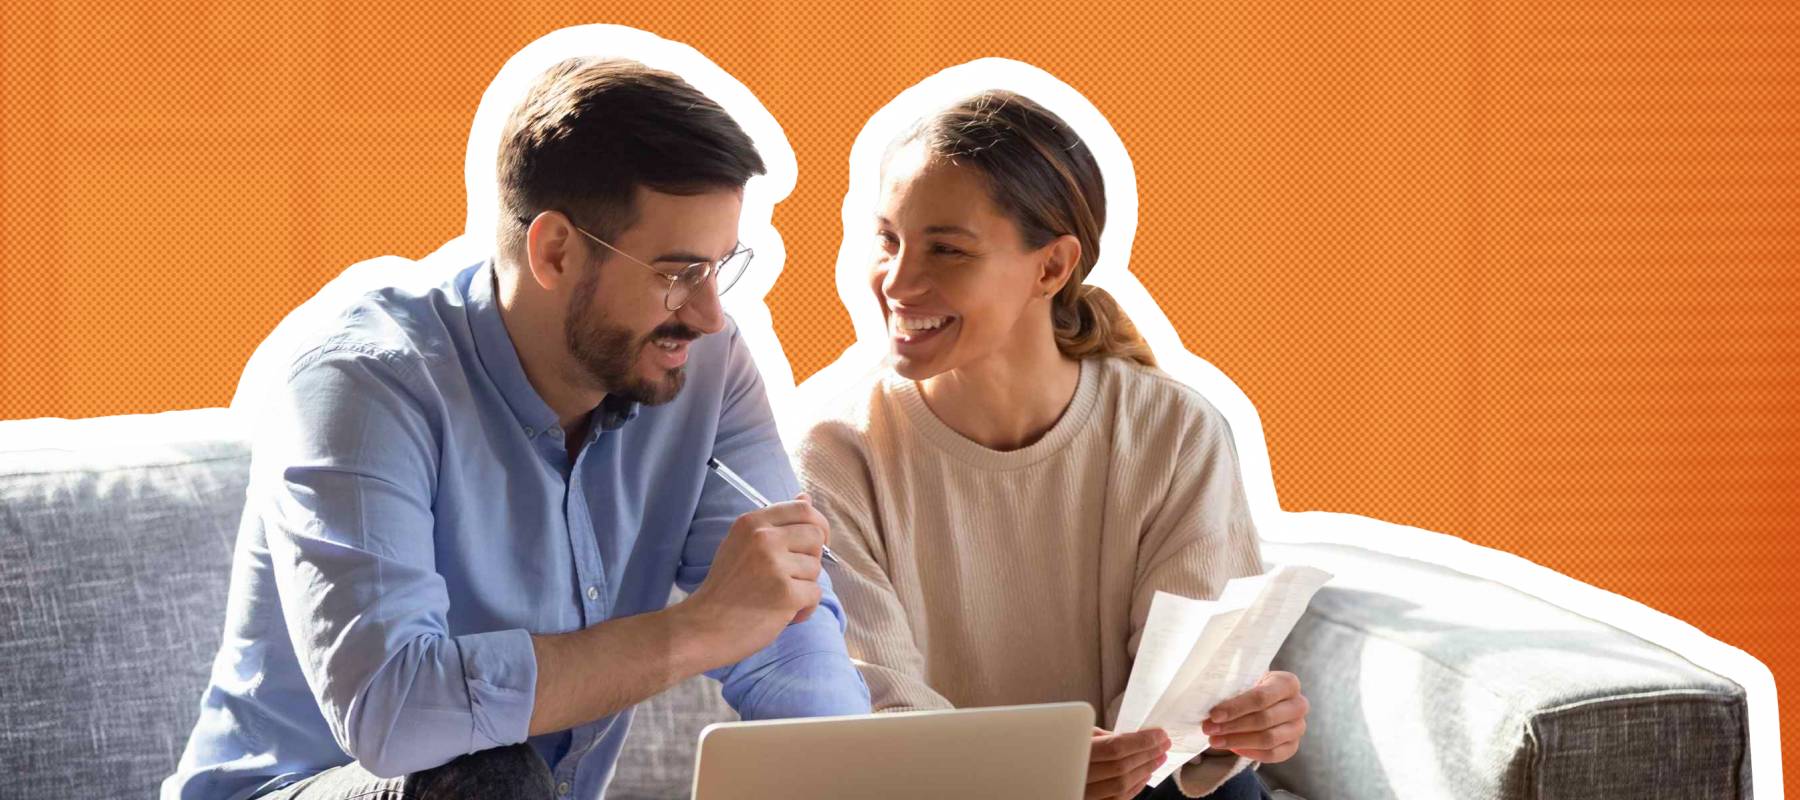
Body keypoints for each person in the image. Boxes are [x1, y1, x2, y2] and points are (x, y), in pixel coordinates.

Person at [164, 56, 868, 800]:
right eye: (676, 272)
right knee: (489, 777)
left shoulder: (704, 365)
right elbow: (396, 713)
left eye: (719, 268)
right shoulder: (362, 382)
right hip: (317, 787)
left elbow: (782, 628)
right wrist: (695, 630)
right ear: (555, 251)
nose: (708, 313)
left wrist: (861, 781)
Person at [793, 90, 1308, 800]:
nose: (898, 281)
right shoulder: (835, 454)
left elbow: (1182, 717)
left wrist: (1237, 729)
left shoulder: (1174, 433)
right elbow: (881, 715)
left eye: (945, 248)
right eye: (888, 239)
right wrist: (1035, 772)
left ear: (1051, 267)